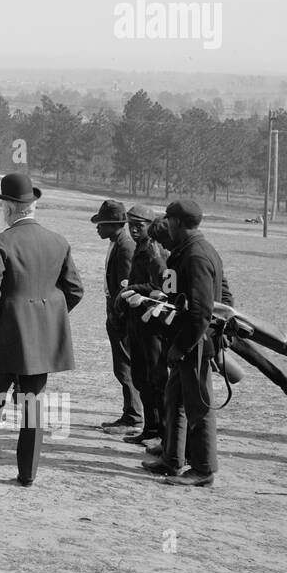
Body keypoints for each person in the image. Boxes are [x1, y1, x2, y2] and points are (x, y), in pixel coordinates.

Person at [0, 172, 84, 486]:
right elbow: (75, 290)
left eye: (3, 204)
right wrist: (47, 319)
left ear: (10, 208)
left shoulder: (1, 241)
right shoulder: (59, 241)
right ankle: (27, 474)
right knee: (32, 406)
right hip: (40, 343)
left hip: (4, 338)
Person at [142, 201, 232, 485]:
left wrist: (183, 346)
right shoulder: (193, 250)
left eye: (168, 219)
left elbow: (201, 311)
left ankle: (204, 469)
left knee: (198, 406)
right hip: (185, 342)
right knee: (175, 400)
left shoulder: (195, 256)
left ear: (178, 222)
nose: (165, 223)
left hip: (193, 345)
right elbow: (226, 295)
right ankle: (172, 459)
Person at [120, 204, 168, 447]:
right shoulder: (141, 247)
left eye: (139, 225)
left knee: (154, 379)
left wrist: (132, 288)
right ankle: (150, 428)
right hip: (138, 322)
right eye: (131, 224)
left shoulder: (153, 251)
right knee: (141, 377)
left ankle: (160, 431)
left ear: (151, 226)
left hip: (151, 325)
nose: (134, 229)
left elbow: (161, 288)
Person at [92, 199, 139, 431]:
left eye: (101, 224)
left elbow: (126, 288)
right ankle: (130, 413)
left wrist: (118, 315)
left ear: (113, 224)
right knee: (122, 367)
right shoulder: (117, 242)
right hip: (115, 315)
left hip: (123, 319)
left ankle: (134, 416)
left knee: (126, 367)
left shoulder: (125, 246)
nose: (98, 228)